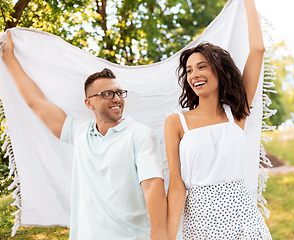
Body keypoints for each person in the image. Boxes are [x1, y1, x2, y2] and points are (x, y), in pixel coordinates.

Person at [2, 31, 170, 240]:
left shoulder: (140, 134)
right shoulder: (79, 132)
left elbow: (153, 185)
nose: (116, 98)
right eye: (107, 94)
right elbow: (36, 102)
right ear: (88, 103)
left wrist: (160, 234)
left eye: (119, 92)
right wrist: (8, 56)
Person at [165, 0, 272, 239]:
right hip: (201, 223)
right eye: (189, 70)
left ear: (218, 71)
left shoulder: (236, 114)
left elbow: (258, 49)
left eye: (201, 66)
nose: (194, 75)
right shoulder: (176, 122)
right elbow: (176, 185)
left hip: (244, 218)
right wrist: (168, 236)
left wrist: (249, 2)